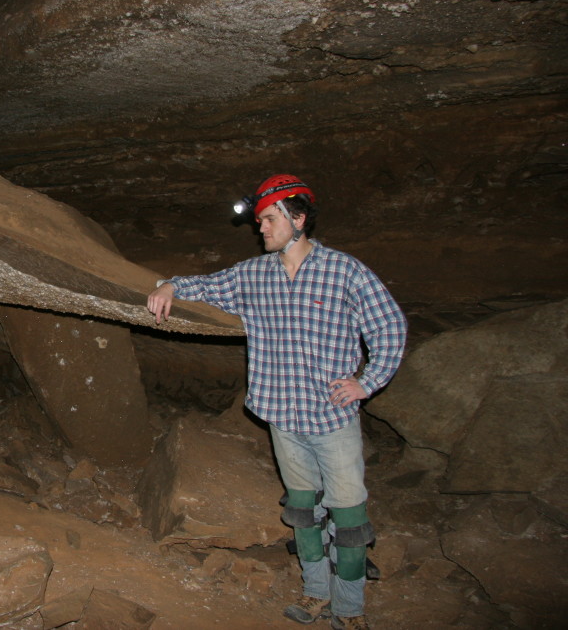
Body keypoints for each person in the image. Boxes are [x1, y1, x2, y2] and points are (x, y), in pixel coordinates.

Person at [147, 174, 407, 630]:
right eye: (260, 220)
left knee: (347, 515)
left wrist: (368, 382)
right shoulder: (253, 275)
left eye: (269, 219)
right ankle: (314, 594)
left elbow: (389, 326)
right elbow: (207, 286)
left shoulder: (344, 270)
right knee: (303, 512)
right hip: (282, 417)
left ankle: (349, 609)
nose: (260, 228)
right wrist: (168, 286)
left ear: (298, 219)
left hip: (332, 417)